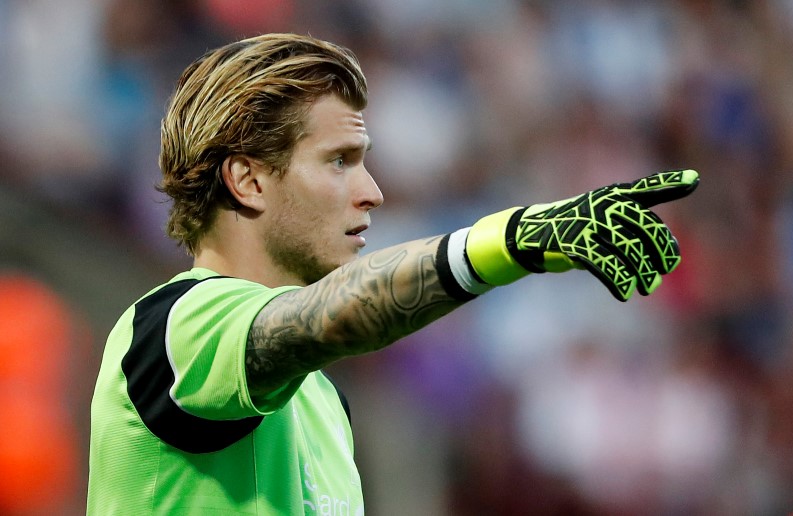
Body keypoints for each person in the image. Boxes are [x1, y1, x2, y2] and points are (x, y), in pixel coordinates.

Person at [87, 33, 699, 514]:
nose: (373, 192)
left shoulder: (325, 402)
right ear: (247, 181)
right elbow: (328, 317)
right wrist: (503, 243)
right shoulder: (175, 327)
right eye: (339, 162)